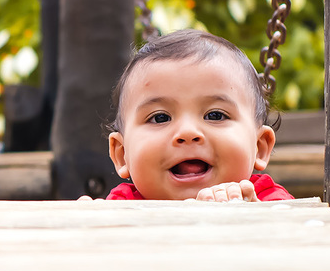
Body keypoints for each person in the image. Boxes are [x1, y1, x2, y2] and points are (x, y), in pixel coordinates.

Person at [104, 29, 293, 202]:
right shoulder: (120, 207)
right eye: (160, 118)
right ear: (122, 153)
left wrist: (254, 214)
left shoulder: (269, 200)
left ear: (259, 147)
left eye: (215, 115)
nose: (188, 132)